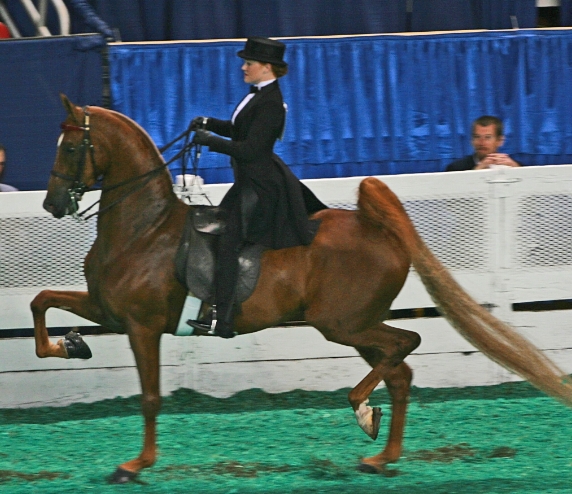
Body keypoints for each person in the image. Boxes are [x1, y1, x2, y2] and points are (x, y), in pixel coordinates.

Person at [186, 36, 327, 338]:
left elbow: (251, 150)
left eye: (248, 63)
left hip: (262, 188)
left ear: (266, 67)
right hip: (248, 182)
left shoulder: (272, 104)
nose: (243, 67)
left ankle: (222, 321)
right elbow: (239, 130)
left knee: (228, 242)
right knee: (218, 234)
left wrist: (210, 142)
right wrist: (209, 123)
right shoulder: (257, 96)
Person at [445, 116, 521, 171]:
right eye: (477, 137)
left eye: (487, 137)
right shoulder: (456, 168)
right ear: (471, 140)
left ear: (500, 141)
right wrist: (478, 170)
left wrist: (517, 169)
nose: (481, 142)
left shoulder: (516, 166)